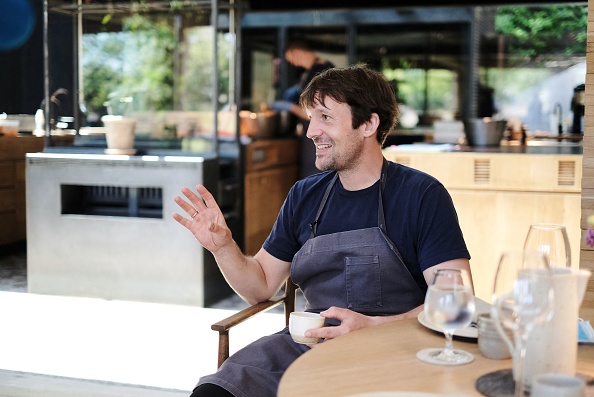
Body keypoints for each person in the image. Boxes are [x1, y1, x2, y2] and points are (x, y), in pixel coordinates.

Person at [173, 64, 472, 397]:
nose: (311, 131)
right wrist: (223, 247)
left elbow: (456, 301)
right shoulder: (305, 195)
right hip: (308, 348)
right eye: (311, 118)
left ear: (369, 124)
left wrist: (372, 327)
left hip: (394, 352)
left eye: (325, 118)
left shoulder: (421, 195)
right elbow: (259, 287)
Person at [269, 40, 335, 178]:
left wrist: (290, 107)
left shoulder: (320, 72)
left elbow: (320, 112)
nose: (293, 63)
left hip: (320, 135)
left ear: (296, 53)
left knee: (316, 175)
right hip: (312, 134)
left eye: (291, 59)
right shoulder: (311, 72)